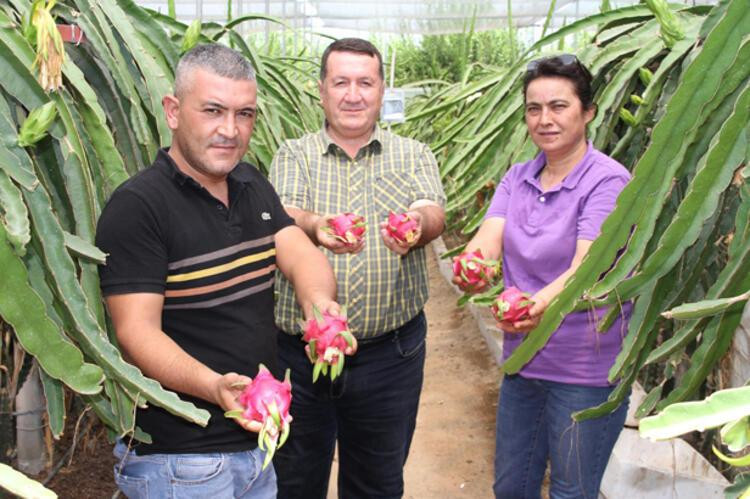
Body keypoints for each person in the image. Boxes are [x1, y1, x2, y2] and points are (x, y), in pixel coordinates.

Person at [95, 43, 339, 498]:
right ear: (173, 110)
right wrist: (213, 387)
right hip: (179, 460)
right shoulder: (138, 208)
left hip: (255, 446)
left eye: (244, 114)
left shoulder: (251, 184)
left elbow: (299, 253)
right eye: (213, 110)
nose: (230, 130)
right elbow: (136, 333)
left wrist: (320, 306)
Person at [269, 38, 446, 499]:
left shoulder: (413, 154)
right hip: (303, 356)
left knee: (377, 483)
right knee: (295, 481)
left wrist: (417, 225)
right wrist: (315, 223)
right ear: (322, 91)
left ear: (382, 89)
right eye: (341, 82)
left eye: (365, 82)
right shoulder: (294, 154)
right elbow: (283, 212)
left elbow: (433, 210)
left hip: (391, 356)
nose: (354, 94)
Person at [454, 54, 632, 498]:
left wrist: (537, 305)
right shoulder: (518, 177)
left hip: (586, 370)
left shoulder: (607, 182)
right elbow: (487, 238)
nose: (544, 119)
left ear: (587, 112)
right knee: (511, 486)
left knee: (572, 490)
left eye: (559, 106)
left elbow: (584, 269)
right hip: (524, 360)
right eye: (534, 109)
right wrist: (472, 269)